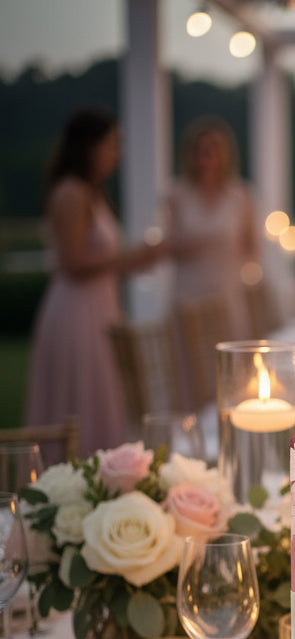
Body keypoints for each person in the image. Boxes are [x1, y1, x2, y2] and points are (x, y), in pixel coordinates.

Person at [26, 107, 165, 455]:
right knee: (79, 396)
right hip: (77, 311)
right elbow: (73, 262)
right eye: (111, 143)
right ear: (89, 146)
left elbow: (97, 259)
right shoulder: (71, 194)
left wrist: (132, 261)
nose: (116, 153)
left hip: (97, 305)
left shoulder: (92, 193)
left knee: (99, 395)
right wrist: (128, 258)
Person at [167, 116, 259, 340]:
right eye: (201, 149)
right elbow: (166, 245)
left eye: (214, 148)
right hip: (188, 295)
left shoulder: (241, 196)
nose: (208, 155)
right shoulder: (177, 195)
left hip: (227, 294)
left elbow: (252, 249)